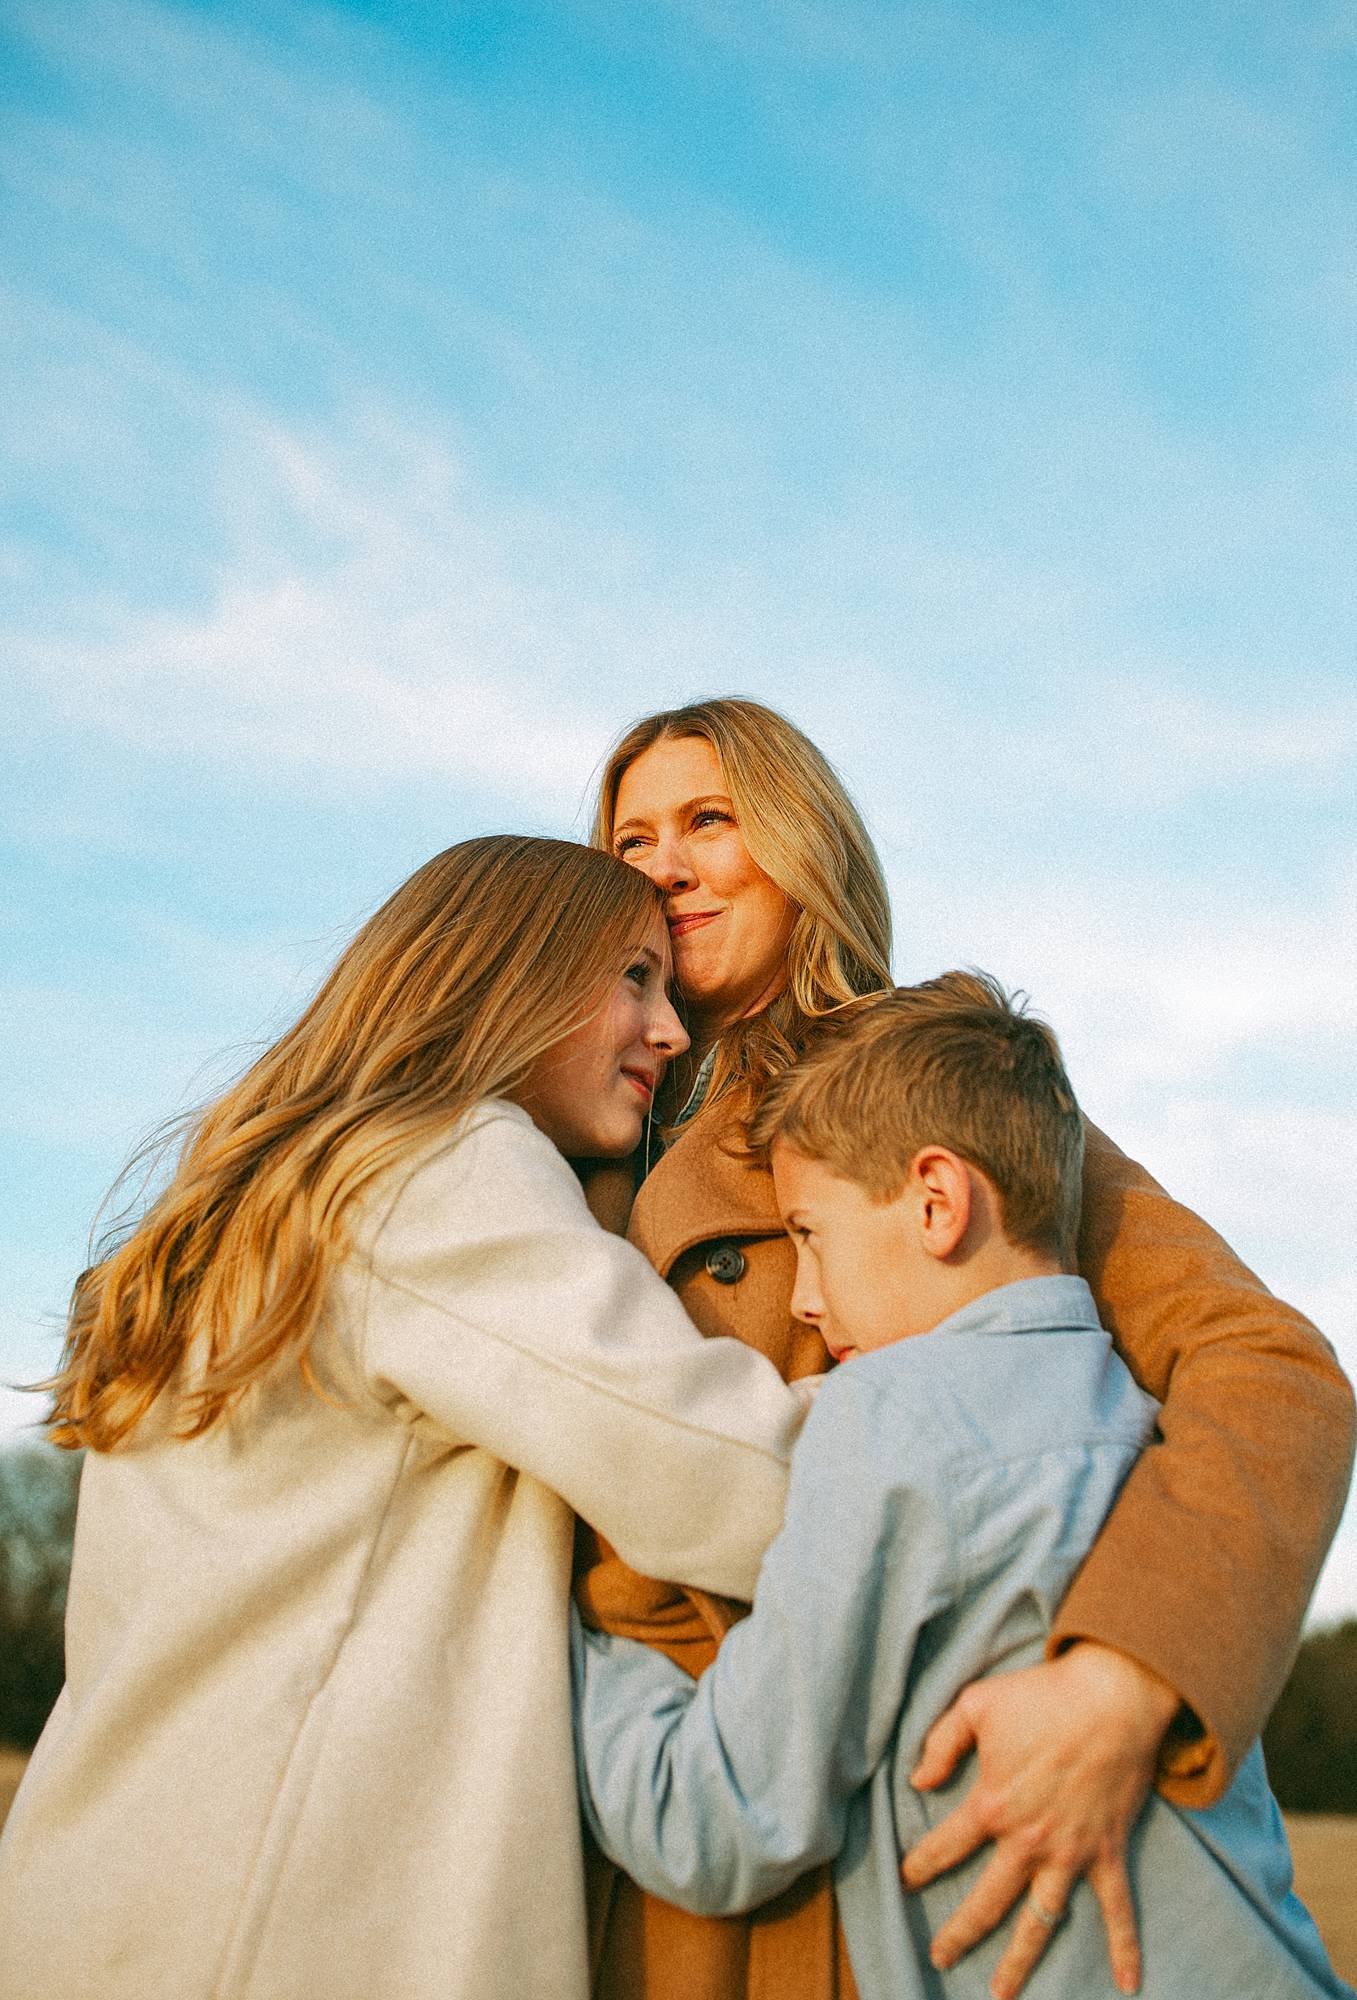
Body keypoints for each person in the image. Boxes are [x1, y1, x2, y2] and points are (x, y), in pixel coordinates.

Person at [575, 697, 1355, 2000]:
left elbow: (1264, 1369)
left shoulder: (915, 1085)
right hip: (638, 1841)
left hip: (865, 1823)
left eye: (708, 819)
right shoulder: (574, 1131)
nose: (663, 864)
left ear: (801, 841)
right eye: (629, 838)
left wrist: (1124, 1675)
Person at [0, 835, 816, 2000]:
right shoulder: (441, 1163)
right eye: (634, 977)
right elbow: (732, 1481)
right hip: (283, 1929)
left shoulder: (272, 1190)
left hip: (114, 1896)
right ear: (510, 972)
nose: (671, 1030)